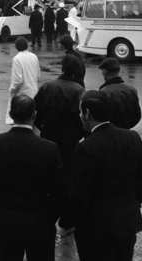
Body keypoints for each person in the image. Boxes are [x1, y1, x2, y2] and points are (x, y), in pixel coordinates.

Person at [0, 95, 62, 261]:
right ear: (34, 115)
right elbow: (60, 189)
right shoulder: (49, 148)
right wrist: (51, 215)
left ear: (11, 114)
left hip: (6, 218)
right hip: (40, 219)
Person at [69, 90, 142, 261]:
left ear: (87, 113)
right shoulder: (132, 138)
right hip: (126, 221)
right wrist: (134, 202)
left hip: (94, 226)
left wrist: (69, 220)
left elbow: (79, 192)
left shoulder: (85, 147)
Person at [34, 54, 85, 227]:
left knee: (47, 174)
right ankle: (66, 216)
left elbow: (36, 110)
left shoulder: (48, 86)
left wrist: (42, 126)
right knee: (68, 175)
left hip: (49, 134)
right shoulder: (78, 90)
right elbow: (82, 118)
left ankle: (47, 210)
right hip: (70, 139)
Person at [98, 57, 141, 129]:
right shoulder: (132, 90)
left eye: (102, 70)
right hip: (127, 130)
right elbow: (137, 115)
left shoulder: (104, 92)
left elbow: (101, 116)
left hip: (110, 132)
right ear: (118, 71)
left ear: (105, 71)